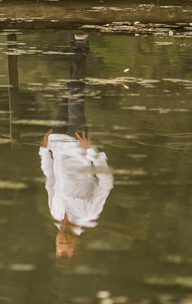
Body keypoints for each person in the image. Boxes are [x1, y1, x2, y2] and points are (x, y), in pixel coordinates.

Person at [39, 34, 113, 259]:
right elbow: (106, 183)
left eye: (60, 243)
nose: (63, 240)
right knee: (75, 94)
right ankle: (80, 44)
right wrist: (92, 151)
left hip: (57, 142)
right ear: (76, 242)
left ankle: (78, 46)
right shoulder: (89, 215)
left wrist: (44, 150)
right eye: (67, 244)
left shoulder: (55, 213)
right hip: (78, 142)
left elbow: (50, 180)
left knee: (68, 92)